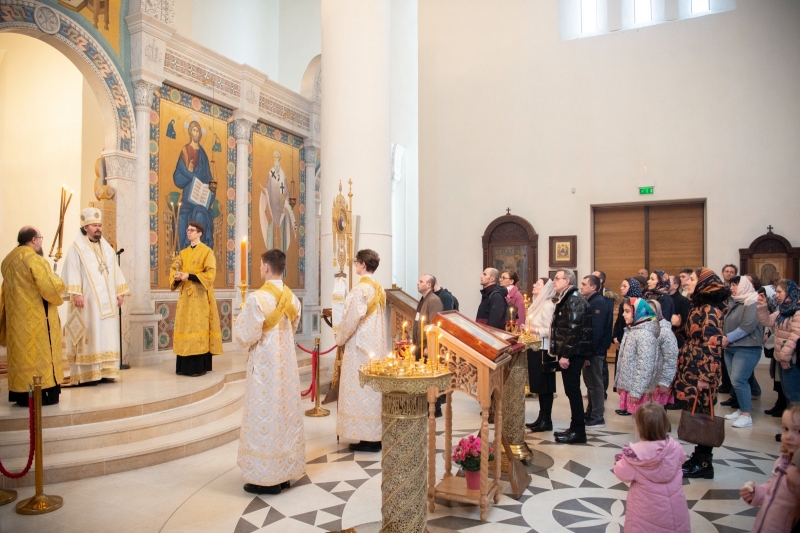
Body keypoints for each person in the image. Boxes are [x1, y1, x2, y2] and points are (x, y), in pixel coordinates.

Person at [234, 249, 304, 495]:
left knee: (264, 416)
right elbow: (293, 328)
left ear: (265, 266)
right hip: (286, 367)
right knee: (283, 415)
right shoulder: (293, 299)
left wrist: (239, 322)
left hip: (265, 369)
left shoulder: (257, 299)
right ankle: (284, 473)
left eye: (260, 264)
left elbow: (245, 336)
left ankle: (266, 477)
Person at [61, 207, 129, 385]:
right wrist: (76, 293)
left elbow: (115, 271)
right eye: (94, 225)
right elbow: (72, 271)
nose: (98, 228)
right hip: (88, 303)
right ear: (85, 228)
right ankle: (89, 374)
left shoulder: (107, 249)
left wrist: (119, 292)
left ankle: (106, 371)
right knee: (92, 334)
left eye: (99, 225)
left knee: (106, 335)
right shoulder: (76, 249)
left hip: (108, 304)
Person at [0, 227, 65, 406]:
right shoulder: (34, 259)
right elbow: (49, 287)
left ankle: (21, 395)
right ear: (34, 240)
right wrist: (59, 281)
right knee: (38, 357)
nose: (41, 242)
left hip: (16, 321)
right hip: (36, 320)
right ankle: (44, 393)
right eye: (40, 238)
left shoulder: (7, 260)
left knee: (22, 356)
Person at [676, 268, 730, 479]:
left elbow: (712, 344)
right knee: (698, 412)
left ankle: (705, 463)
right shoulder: (700, 305)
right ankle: (698, 456)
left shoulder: (710, 309)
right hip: (694, 366)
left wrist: (706, 377)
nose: (687, 282)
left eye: (692, 279)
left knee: (705, 416)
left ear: (704, 283)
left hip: (703, 370)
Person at [335, 249, 387, 452]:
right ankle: (374, 434)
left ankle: (368, 439)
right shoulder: (379, 289)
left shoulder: (360, 290)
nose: (355, 265)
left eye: (357, 262)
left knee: (361, 391)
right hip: (376, 348)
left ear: (363, 264)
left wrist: (340, 338)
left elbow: (350, 320)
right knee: (372, 392)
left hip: (360, 349)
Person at [613, 403, 691, 533]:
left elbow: (621, 473)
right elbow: (682, 459)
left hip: (645, 513)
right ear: (665, 424)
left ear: (639, 427)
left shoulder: (635, 455)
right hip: (674, 511)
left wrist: (620, 462)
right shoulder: (675, 447)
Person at [170, 221, 222, 376]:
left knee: (198, 327)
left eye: (192, 230)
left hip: (200, 297)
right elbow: (174, 268)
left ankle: (198, 367)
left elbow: (210, 274)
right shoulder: (183, 253)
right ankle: (183, 367)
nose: (188, 232)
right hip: (185, 298)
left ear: (200, 233)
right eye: (187, 230)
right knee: (185, 327)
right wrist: (177, 277)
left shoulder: (207, 252)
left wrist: (190, 276)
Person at [739, 405, 800, 533]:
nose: (789, 436)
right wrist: (756, 492)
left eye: (798, 431)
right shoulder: (782, 461)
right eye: (785, 429)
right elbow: (774, 487)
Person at [550, 268, 593, 444]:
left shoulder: (574, 300)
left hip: (573, 353)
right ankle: (574, 427)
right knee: (571, 391)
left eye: (557, 278)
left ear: (567, 281)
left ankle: (578, 431)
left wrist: (566, 355)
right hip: (573, 352)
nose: (554, 281)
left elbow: (574, 331)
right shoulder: (569, 298)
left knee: (573, 391)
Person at [720, 275, 764, 428]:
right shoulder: (736, 301)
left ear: (744, 285)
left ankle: (746, 415)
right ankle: (741, 409)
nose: (731, 288)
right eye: (731, 285)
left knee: (739, 380)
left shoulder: (753, 301)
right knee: (735, 381)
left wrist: (728, 338)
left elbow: (748, 325)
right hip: (731, 347)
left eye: (735, 285)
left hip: (747, 347)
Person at [757, 280, 800, 412]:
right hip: (781, 358)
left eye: (780, 292)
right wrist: (763, 306)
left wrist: (785, 357)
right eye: (776, 292)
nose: (777, 295)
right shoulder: (782, 310)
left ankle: (794, 423)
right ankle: (790, 423)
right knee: (787, 392)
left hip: (791, 359)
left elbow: (795, 336)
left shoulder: (797, 312)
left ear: (789, 292)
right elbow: (767, 321)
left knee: (793, 394)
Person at [173, 120, 216, 250]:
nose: (196, 133)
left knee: (200, 217)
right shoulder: (185, 152)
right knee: (181, 221)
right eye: (194, 130)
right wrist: (190, 173)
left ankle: (199, 255)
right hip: (187, 203)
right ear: (190, 132)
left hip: (200, 203)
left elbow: (208, 177)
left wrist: (212, 188)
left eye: (198, 131)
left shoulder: (203, 155)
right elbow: (177, 178)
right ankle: (183, 256)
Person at [615, 298, 660, 415]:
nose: (623, 314)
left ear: (638, 312)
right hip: (631, 385)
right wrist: (620, 383)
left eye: (627, 311)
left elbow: (645, 366)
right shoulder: (633, 330)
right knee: (637, 420)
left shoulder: (644, 334)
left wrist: (637, 391)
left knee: (642, 419)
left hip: (639, 389)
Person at [580, 275, 612, 428]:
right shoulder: (592, 301)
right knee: (590, 383)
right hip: (592, 350)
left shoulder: (597, 302)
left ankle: (598, 416)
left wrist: (588, 353)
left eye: (584, 284)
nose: (581, 286)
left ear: (593, 287)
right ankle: (590, 412)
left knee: (595, 384)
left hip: (595, 351)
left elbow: (596, 331)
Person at [525, 278, 556, 432]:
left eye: (538, 284)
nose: (534, 285)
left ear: (545, 288)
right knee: (539, 386)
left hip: (544, 350)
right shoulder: (536, 304)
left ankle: (547, 420)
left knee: (545, 387)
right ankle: (541, 417)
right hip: (535, 348)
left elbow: (550, 330)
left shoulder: (547, 305)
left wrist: (533, 330)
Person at [612, 278, 643, 396]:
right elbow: (619, 322)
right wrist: (615, 336)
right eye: (621, 285)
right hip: (621, 338)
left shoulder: (638, 303)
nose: (621, 288)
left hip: (632, 339)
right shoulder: (624, 302)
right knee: (621, 367)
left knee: (630, 369)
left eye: (624, 286)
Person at [647, 299, 679, 407]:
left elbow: (671, 358)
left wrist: (665, 381)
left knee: (657, 412)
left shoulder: (665, 332)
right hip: (646, 381)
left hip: (658, 380)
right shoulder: (644, 329)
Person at [593, 270, 618, 397]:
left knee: (601, 365)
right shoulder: (592, 295)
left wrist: (605, 337)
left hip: (603, 335)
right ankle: (593, 391)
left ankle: (602, 391)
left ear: (601, 280)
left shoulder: (607, 297)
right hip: (594, 336)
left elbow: (607, 320)